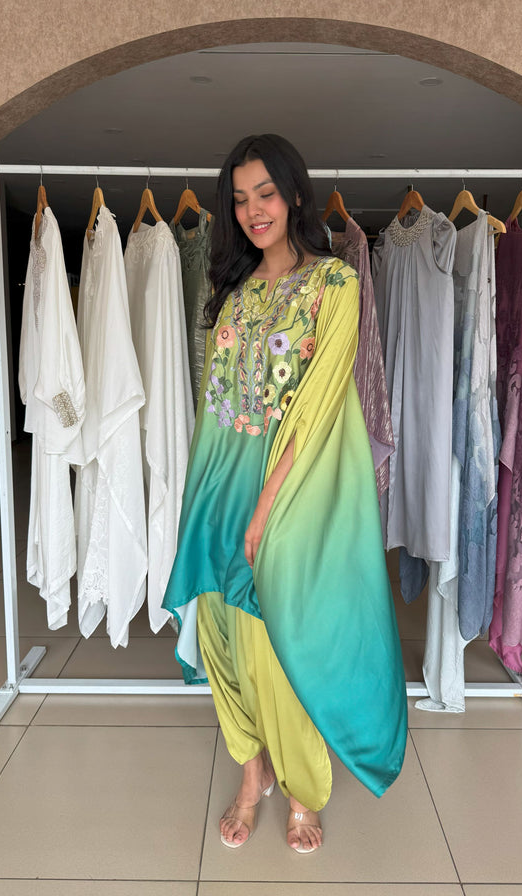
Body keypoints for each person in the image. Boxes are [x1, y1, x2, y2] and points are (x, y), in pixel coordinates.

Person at [162, 134, 407, 854]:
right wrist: (202, 505)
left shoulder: (335, 283)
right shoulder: (236, 294)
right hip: (222, 485)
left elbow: (320, 406)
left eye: (265, 193)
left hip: (289, 492)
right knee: (226, 638)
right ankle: (252, 775)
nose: (253, 210)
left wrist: (265, 511)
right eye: (240, 199)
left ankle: (301, 788)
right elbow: (217, 408)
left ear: (295, 193)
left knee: (280, 639)